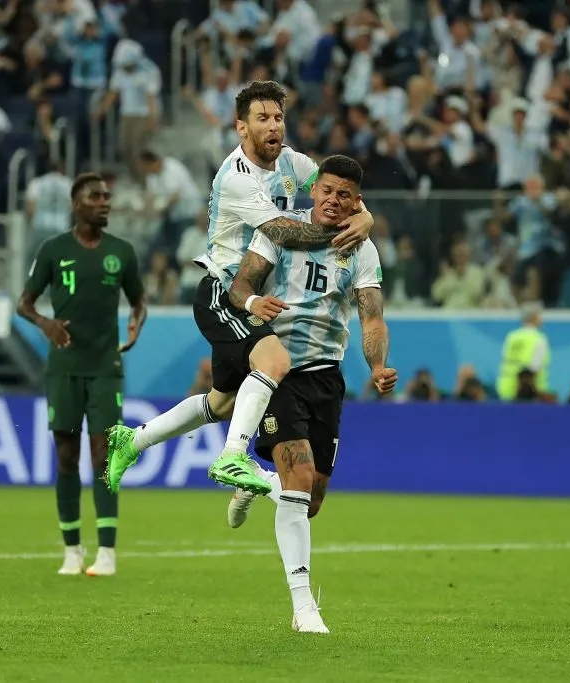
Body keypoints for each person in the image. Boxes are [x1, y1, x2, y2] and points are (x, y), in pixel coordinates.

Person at [104, 80, 374, 496]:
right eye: (262, 118)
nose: (273, 126)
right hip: (225, 292)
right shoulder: (236, 177)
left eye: (279, 118)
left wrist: (365, 216)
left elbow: (336, 191)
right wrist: (352, 226)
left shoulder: (292, 163)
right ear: (241, 128)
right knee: (274, 361)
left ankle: (133, 440)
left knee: (222, 402)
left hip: (254, 299)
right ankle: (233, 455)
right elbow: (284, 231)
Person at [224, 154, 397, 634]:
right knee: (299, 481)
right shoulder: (281, 230)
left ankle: (257, 484)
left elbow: (372, 316)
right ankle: (304, 607)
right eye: (327, 190)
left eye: (345, 195)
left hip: (326, 377)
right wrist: (257, 301)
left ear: (356, 201)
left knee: (311, 497)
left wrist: (378, 365)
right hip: (277, 369)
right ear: (313, 189)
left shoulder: (361, 249)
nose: (334, 201)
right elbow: (240, 287)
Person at [16, 173, 147, 577]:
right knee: (66, 457)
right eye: (96, 197)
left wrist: (136, 323)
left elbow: (139, 302)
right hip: (64, 368)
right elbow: (24, 303)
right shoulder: (54, 249)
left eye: (108, 196)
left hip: (105, 368)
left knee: (104, 457)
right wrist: (45, 323)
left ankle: (106, 552)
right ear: (77, 205)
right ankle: (72, 550)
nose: (105, 202)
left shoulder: (121, 252)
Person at [495, 303, 550, 401]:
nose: (541, 320)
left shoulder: (512, 337)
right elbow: (535, 366)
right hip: (529, 391)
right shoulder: (538, 339)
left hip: (505, 388)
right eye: (539, 316)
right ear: (533, 318)